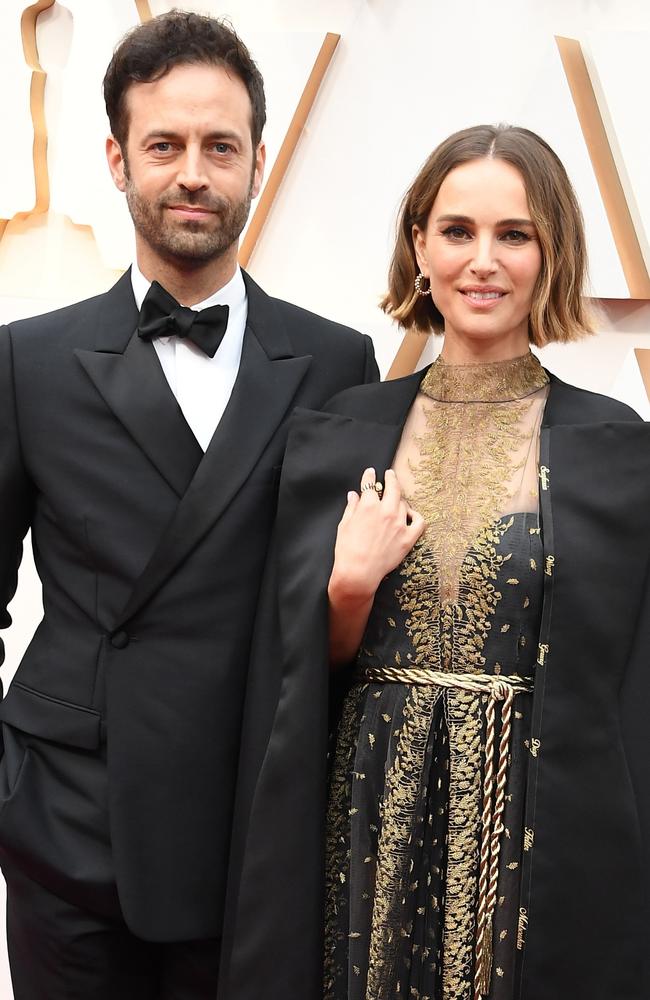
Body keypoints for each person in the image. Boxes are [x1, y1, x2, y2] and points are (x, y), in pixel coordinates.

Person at [0, 11, 377, 1000]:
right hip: (70, 831)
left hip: (252, 829)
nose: (193, 174)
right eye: (164, 145)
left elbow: (349, 607)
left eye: (219, 146)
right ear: (118, 159)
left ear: (257, 158)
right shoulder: (26, 360)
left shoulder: (338, 364)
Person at [225, 124, 650, 1000]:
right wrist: (347, 585)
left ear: (551, 251)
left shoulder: (615, 448)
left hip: (530, 816)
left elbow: (625, 696)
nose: (483, 261)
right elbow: (296, 679)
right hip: (370, 804)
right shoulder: (343, 429)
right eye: (457, 231)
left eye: (514, 234)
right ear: (420, 244)